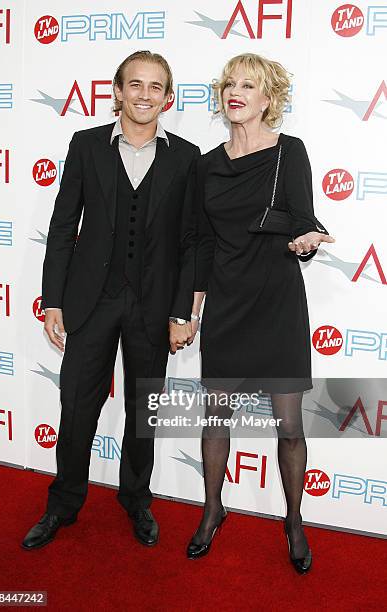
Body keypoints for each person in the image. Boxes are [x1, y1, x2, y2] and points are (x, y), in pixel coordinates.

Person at [22, 50, 199, 550]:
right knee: (77, 407)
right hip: (89, 301)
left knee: (144, 410)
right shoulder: (85, 145)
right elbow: (63, 227)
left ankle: (136, 502)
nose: (144, 95)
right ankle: (62, 505)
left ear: (168, 97)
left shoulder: (186, 157)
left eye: (155, 86)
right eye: (134, 85)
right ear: (117, 92)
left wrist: (181, 310)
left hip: (153, 304)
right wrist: (52, 299)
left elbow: (191, 241)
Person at [185, 53, 335, 572]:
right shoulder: (206, 164)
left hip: (276, 298)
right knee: (215, 417)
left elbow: (303, 219)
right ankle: (212, 510)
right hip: (226, 300)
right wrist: (192, 306)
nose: (236, 91)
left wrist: (306, 242)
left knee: (289, 425)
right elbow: (202, 241)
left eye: (249, 85)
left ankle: (294, 521)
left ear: (270, 98)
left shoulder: (289, 152)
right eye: (230, 83)